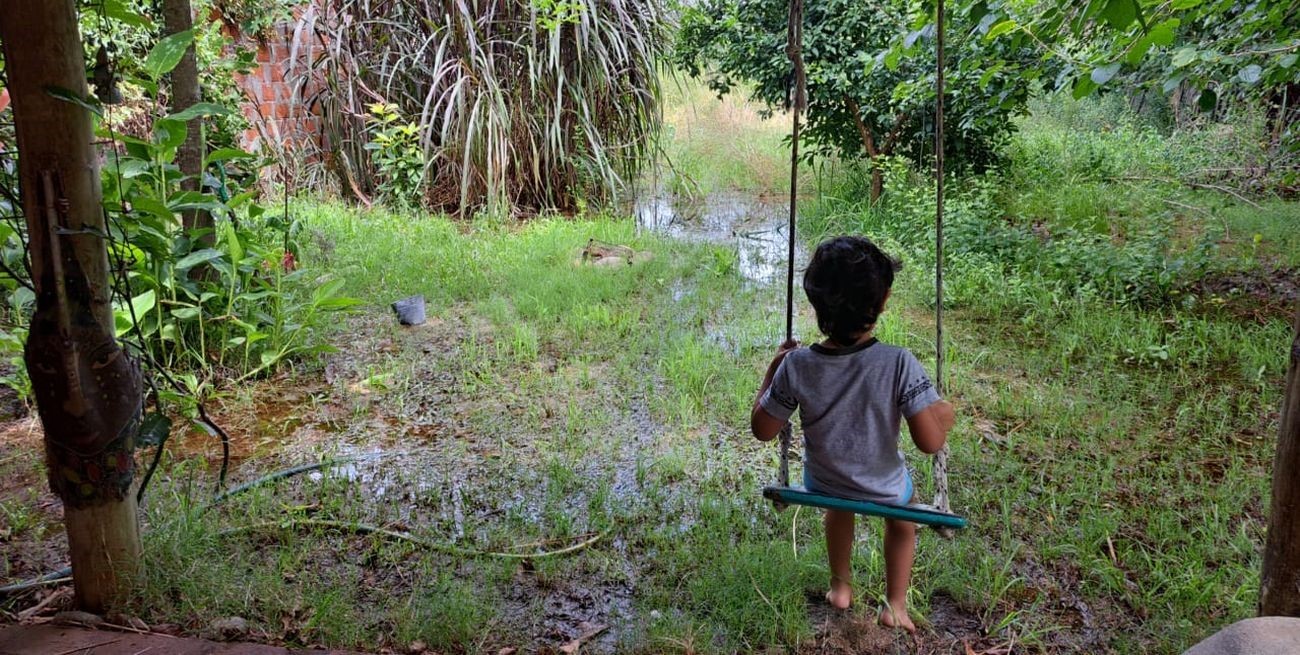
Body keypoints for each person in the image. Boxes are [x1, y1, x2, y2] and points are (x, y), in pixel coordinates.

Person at [750, 235, 955, 632]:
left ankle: (840, 588)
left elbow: (763, 429)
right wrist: (943, 415)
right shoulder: (898, 363)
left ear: (815, 306)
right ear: (884, 302)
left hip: (824, 482)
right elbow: (930, 442)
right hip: (884, 488)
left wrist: (771, 373)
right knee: (904, 516)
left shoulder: (796, 365)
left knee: (837, 506)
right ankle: (895, 604)